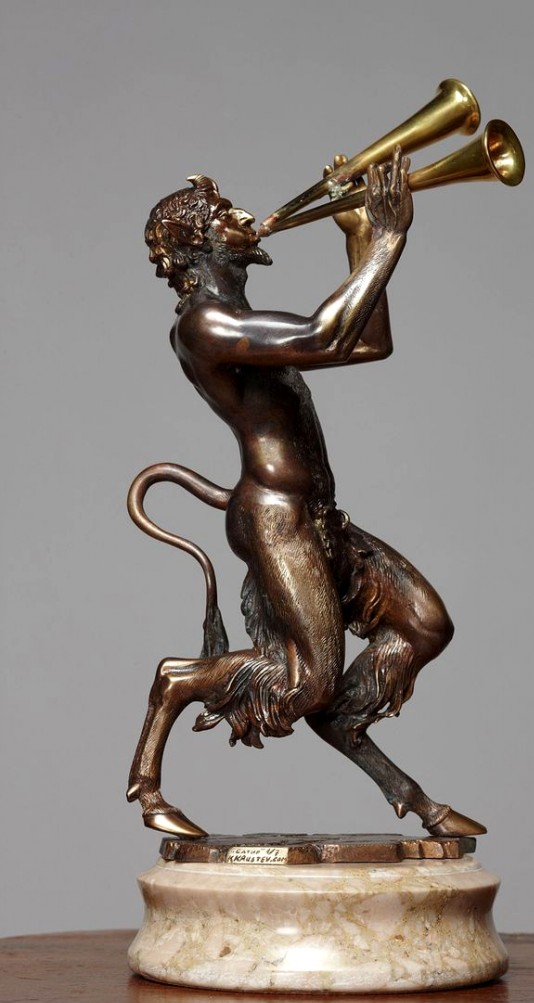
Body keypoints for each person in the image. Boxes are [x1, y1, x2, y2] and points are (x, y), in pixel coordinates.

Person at [127, 149, 485, 839]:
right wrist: (386, 241)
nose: (244, 217)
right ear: (198, 242)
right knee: (308, 682)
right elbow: (325, 333)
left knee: (424, 624)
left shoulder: (242, 318)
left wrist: (360, 239)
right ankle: (169, 710)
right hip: (276, 522)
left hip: (317, 517)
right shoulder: (204, 326)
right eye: (224, 215)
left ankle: (347, 726)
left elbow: (364, 343)